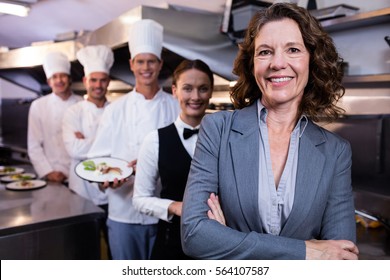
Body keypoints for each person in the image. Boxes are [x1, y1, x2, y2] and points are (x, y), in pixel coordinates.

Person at [181, 3, 359, 260]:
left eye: (293, 50)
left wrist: (227, 240)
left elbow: (342, 257)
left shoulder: (335, 151)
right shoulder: (218, 129)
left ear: (312, 60)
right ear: (252, 64)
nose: (278, 63)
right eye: (265, 52)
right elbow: (194, 235)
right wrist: (306, 250)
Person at [87, 19, 180, 260]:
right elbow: (96, 160)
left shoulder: (175, 107)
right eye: (140, 61)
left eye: (151, 61)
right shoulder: (115, 110)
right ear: (131, 64)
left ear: (160, 64)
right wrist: (105, 179)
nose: (145, 67)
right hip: (123, 213)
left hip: (164, 212)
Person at [133, 59, 214, 259]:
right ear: (175, 90)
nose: (195, 96)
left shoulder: (225, 136)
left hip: (217, 242)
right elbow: (139, 199)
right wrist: (174, 206)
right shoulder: (155, 140)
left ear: (211, 92)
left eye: (203, 89)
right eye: (187, 88)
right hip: (171, 242)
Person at [62, 45, 114, 259]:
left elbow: (121, 147)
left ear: (108, 82)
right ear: (85, 82)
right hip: (81, 192)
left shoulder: (116, 110)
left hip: (112, 193)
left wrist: (88, 144)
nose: (98, 85)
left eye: (102, 80)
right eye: (93, 80)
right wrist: (107, 143)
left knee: (112, 250)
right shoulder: (73, 112)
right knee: (83, 252)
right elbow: (73, 149)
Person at [28, 51, 83, 183]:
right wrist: (47, 171)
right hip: (51, 174)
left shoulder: (82, 104)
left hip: (79, 174)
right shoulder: (38, 106)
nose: (59, 80)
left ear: (69, 78)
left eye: (63, 76)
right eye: (54, 77)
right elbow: (33, 145)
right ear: (49, 81)